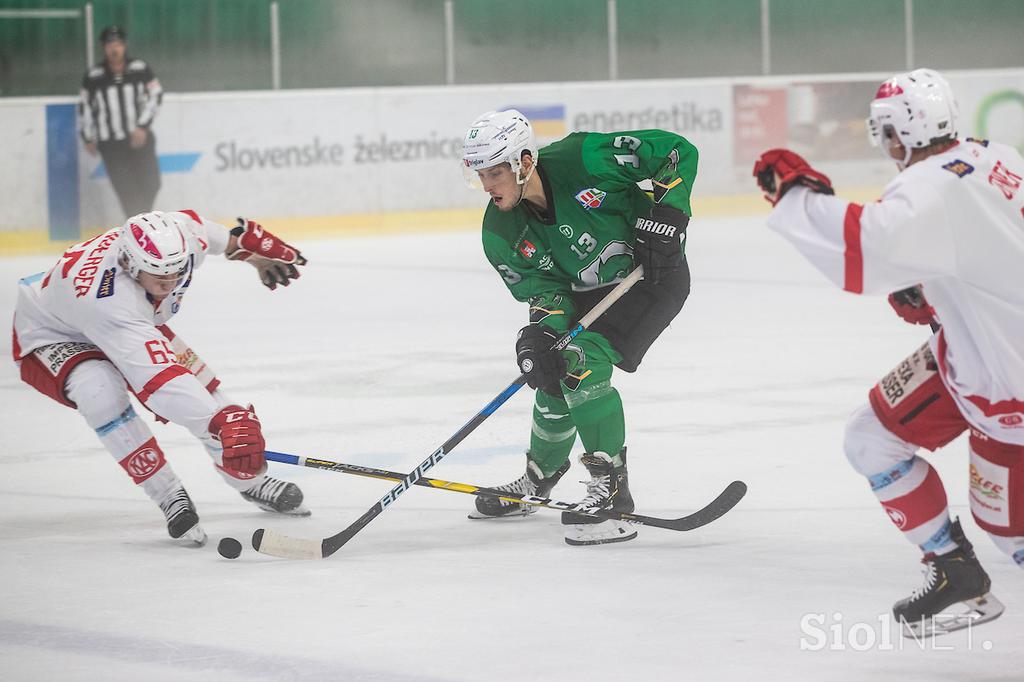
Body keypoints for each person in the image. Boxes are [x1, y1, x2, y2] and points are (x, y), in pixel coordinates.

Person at [753, 68, 1023, 636]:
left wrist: (797, 194)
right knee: (871, 438)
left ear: (897, 133)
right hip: (970, 354)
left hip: (1008, 380)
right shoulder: (994, 155)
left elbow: (865, 248)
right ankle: (954, 573)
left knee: (1006, 529)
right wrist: (938, 294)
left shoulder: (930, 188)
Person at [461, 109, 698, 546]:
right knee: (552, 371)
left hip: (650, 277)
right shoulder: (500, 229)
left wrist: (668, 212)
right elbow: (546, 291)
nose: (487, 185)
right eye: (481, 174)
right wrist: (543, 332)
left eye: (495, 172)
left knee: (581, 362)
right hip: (587, 295)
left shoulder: (583, 158)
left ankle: (612, 493)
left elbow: (675, 151)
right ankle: (539, 479)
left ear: (525, 162)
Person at [13, 210, 310, 545]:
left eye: (176, 272)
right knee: (100, 393)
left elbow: (218, 237)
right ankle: (169, 495)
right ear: (129, 264)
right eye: (158, 276)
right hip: (52, 333)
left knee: (202, 389)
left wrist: (250, 252)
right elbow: (161, 383)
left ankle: (249, 483)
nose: (169, 282)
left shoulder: (181, 238)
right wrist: (223, 422)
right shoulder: (109, 300)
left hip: (120, 318)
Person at [78, 25, 163, 218]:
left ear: (124, 46)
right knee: (127, 192)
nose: (114, 49)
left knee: (152, 183)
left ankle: (140, 223)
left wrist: (142, 126)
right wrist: (87, 136)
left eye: (118, 44)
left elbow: (156, 95)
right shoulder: (94, 76)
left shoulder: (139, 68)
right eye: (110, 44)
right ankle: (140, 228)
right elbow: (85, 107)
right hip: (111, 144)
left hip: (140, 139)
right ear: (103, 47)